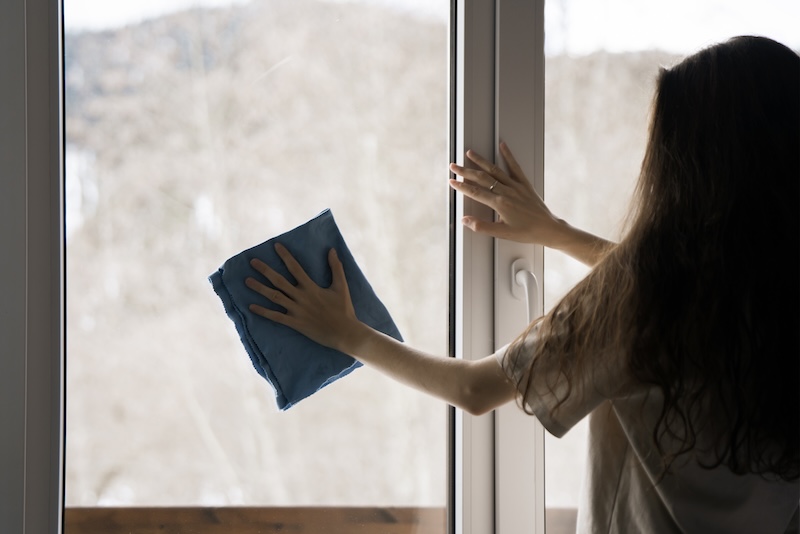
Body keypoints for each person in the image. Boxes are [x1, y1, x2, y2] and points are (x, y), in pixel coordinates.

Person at [245, 36, 799, 532]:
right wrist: (557, 233)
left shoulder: (646, 298)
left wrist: (348, 333)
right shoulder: (764, 295)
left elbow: (475, 389)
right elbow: (688, 298)